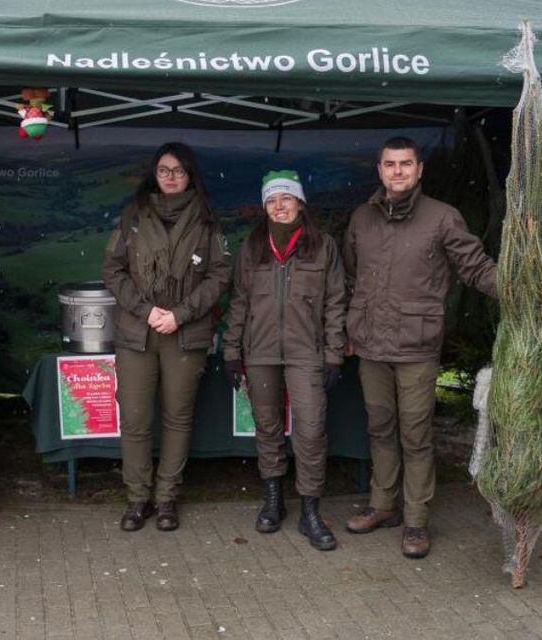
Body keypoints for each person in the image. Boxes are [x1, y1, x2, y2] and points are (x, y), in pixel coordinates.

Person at [343, 136, 497, 559]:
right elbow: (352, 275)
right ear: (379, 170)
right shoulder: (362, 219)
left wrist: (516, 287)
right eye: (390, 164)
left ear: (419, 170)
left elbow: (474, 266)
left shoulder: (443, 218)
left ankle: (415, 520)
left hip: (416, 346)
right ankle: (382, 505)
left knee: (415, 435)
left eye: (405, 164)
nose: (397, 172)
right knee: (380, 429)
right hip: (372, 344)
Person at [102, 142, 230, 532]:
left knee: (178, 418)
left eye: (178, 170)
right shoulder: (134, 217)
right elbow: (113, 270)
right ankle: (138, 499)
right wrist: (147, 310)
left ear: (190, 175)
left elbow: (220, 275)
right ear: (154, 175)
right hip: (136, 333)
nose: (171, 177)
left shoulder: (207, 221)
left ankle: (167, 499)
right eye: (164, 170)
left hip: (185, 333)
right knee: (136, 419)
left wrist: (180, 314)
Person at [222, 170, 346, 551]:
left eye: (286, 198)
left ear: (300, 203)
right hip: (259, 353)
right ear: (264, 207)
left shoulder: (322, 247)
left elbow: (335, 302)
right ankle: (273, 500)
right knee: (268, 427)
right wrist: (230, 351)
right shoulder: (251, 248)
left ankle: (311, 510)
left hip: (306, 352)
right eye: (272, 200)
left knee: (310, 431)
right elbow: (239, 303)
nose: (279, 206)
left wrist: (334, 353)